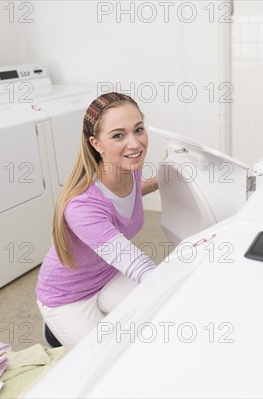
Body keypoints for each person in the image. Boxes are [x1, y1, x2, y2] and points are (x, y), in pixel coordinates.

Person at [36, 92, 159, 347]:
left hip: (106, 275)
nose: (135, 143)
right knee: (108, 359)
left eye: (138, 129)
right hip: (67, 296)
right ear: (96, 143)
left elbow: (126, 197)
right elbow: (133, 262)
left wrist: (160, 181)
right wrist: (178, 282)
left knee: (157, 318)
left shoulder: (128, 169)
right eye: (118, 135)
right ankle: (54, 331)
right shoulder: (83, 205)